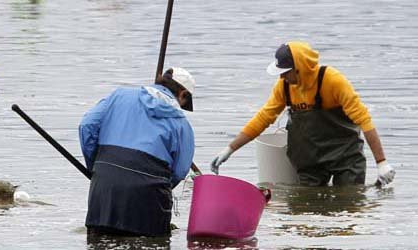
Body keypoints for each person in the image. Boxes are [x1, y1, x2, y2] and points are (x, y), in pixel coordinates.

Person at [210, 41, 396, 187]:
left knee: (348, 203)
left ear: (300, 68)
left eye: (285, 72)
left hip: (345, 158)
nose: (281, 77)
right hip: (309, 161)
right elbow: (263, 118)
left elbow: (364, 121)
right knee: (305, 209)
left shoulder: (333, 81)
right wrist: (230, 149)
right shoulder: (284, 87)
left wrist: (381, 163)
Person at [78, 67, 196, 237]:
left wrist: (96, 168)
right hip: (149, 199)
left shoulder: (119, 96)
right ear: (183, 94)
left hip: (104, 192)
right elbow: (179, 172)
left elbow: (87, 126)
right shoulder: (182, 125)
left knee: (99, 242)